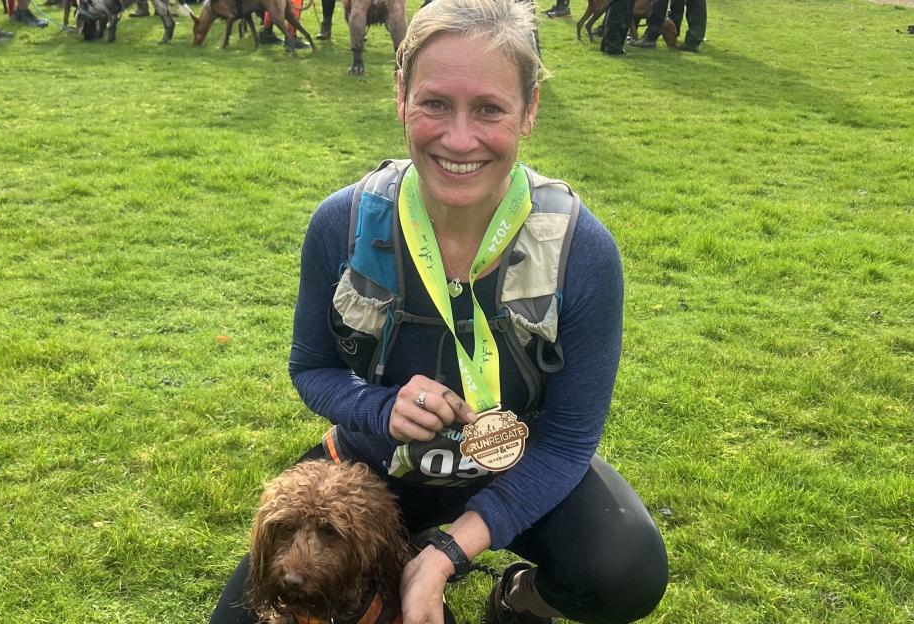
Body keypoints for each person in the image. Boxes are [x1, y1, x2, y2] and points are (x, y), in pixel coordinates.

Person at [209, 0, 668, 622]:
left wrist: (448, 551)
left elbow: (567, 442)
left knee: (625, 570)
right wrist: (377, 407)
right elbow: (311, 368)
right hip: (374, 469)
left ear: (529, 111)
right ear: (401, 97)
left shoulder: (581, 252)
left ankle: (520, 601)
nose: (458, 139)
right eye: (434, 104)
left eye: (488, 108)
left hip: (514, 465)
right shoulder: (342, 223)